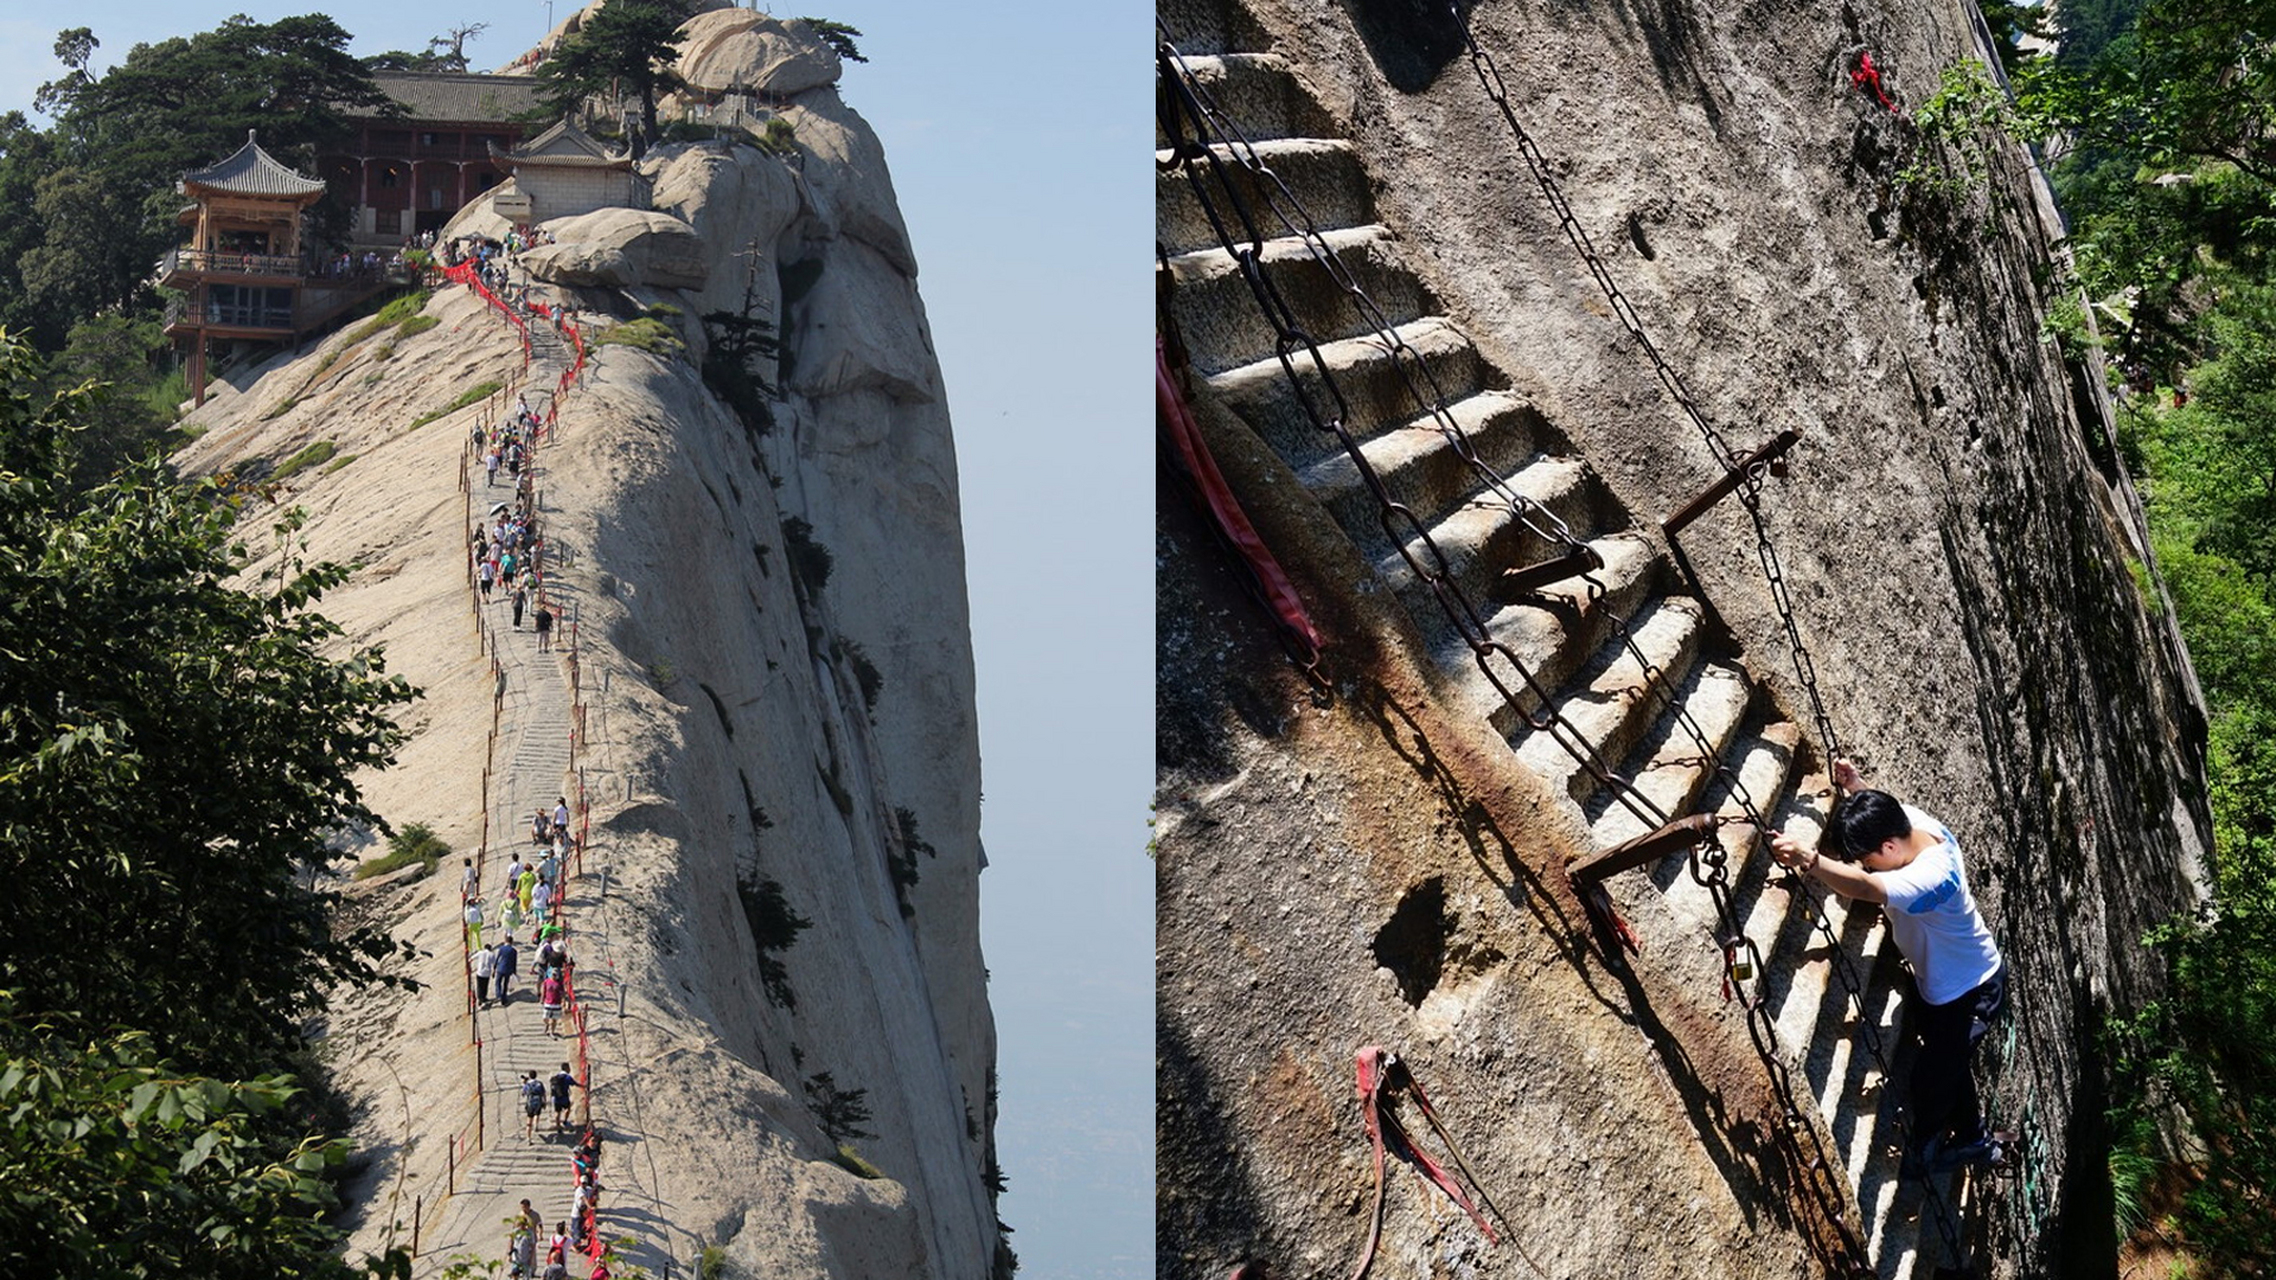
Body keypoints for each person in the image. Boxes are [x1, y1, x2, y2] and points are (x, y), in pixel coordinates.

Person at [1769, 760, 2009, 1177]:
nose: (1865, 866)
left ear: (1888, 849)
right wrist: (1856, 789)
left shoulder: (1930, 877)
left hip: (1971, 989)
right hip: (1944, 982)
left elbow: (1865, 888)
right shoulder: (1914, 825)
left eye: (1867, 858)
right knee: (1949, 1062)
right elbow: (1881, 824)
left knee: (1931, 1078)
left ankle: (1936, 1148)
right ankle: (1971, 1134)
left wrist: (1810, 860)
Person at [551, 1062, 578, 1133]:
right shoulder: (567, 1077)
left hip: (556, 1098)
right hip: (564, 1097)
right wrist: (583, 1086)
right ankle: (565, 1121)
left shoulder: (556, 1077)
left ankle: (558, 1125)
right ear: (566, 1068)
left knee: (557, 1112)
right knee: (567, 1109)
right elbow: (574, 1084)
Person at [522, 1071, 548, 1140]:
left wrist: (524, 1084)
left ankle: (528, 1137)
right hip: (538, 1102)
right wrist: (544, 1102)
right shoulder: (539, 1083)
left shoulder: (527, 1084)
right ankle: (536, 1125)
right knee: (537, 1114)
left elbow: (523, 1093)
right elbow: (543, 1093)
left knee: (529, 1121)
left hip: (530, 1103)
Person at [495, 935, 520, 1003]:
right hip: (508, 969)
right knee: (505, 984)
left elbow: (497, 958)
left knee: (498, 982)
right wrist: (514, 971)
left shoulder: (501, 948)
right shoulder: (514, 951)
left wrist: (494, 967)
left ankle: (498, 995)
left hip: (500, 968)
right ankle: (504, 997)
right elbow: (514, 962)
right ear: (512, 942)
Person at [541, 970, 564, 1036]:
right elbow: (544, 990)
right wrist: (542, 998)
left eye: (555, 975)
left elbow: (562, 993)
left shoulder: (559, 983)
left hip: (556, 1003)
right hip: (548, 1002)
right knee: (545, 1017)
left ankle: (552, 1031)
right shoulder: (547, 981)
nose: (554, 976)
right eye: (553, 974)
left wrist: (563, 1000)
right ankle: (547, 1024)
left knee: (554, 1019)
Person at [474, 940, 496, 1006]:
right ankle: (483, 997)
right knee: (485, 986)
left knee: (479, 986)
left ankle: (480, 998)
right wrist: (494, 972)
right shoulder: (492, 954)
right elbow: (494, 964)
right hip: (487, 973)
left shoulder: (480, 953)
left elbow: (471, 958)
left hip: (480, 972)